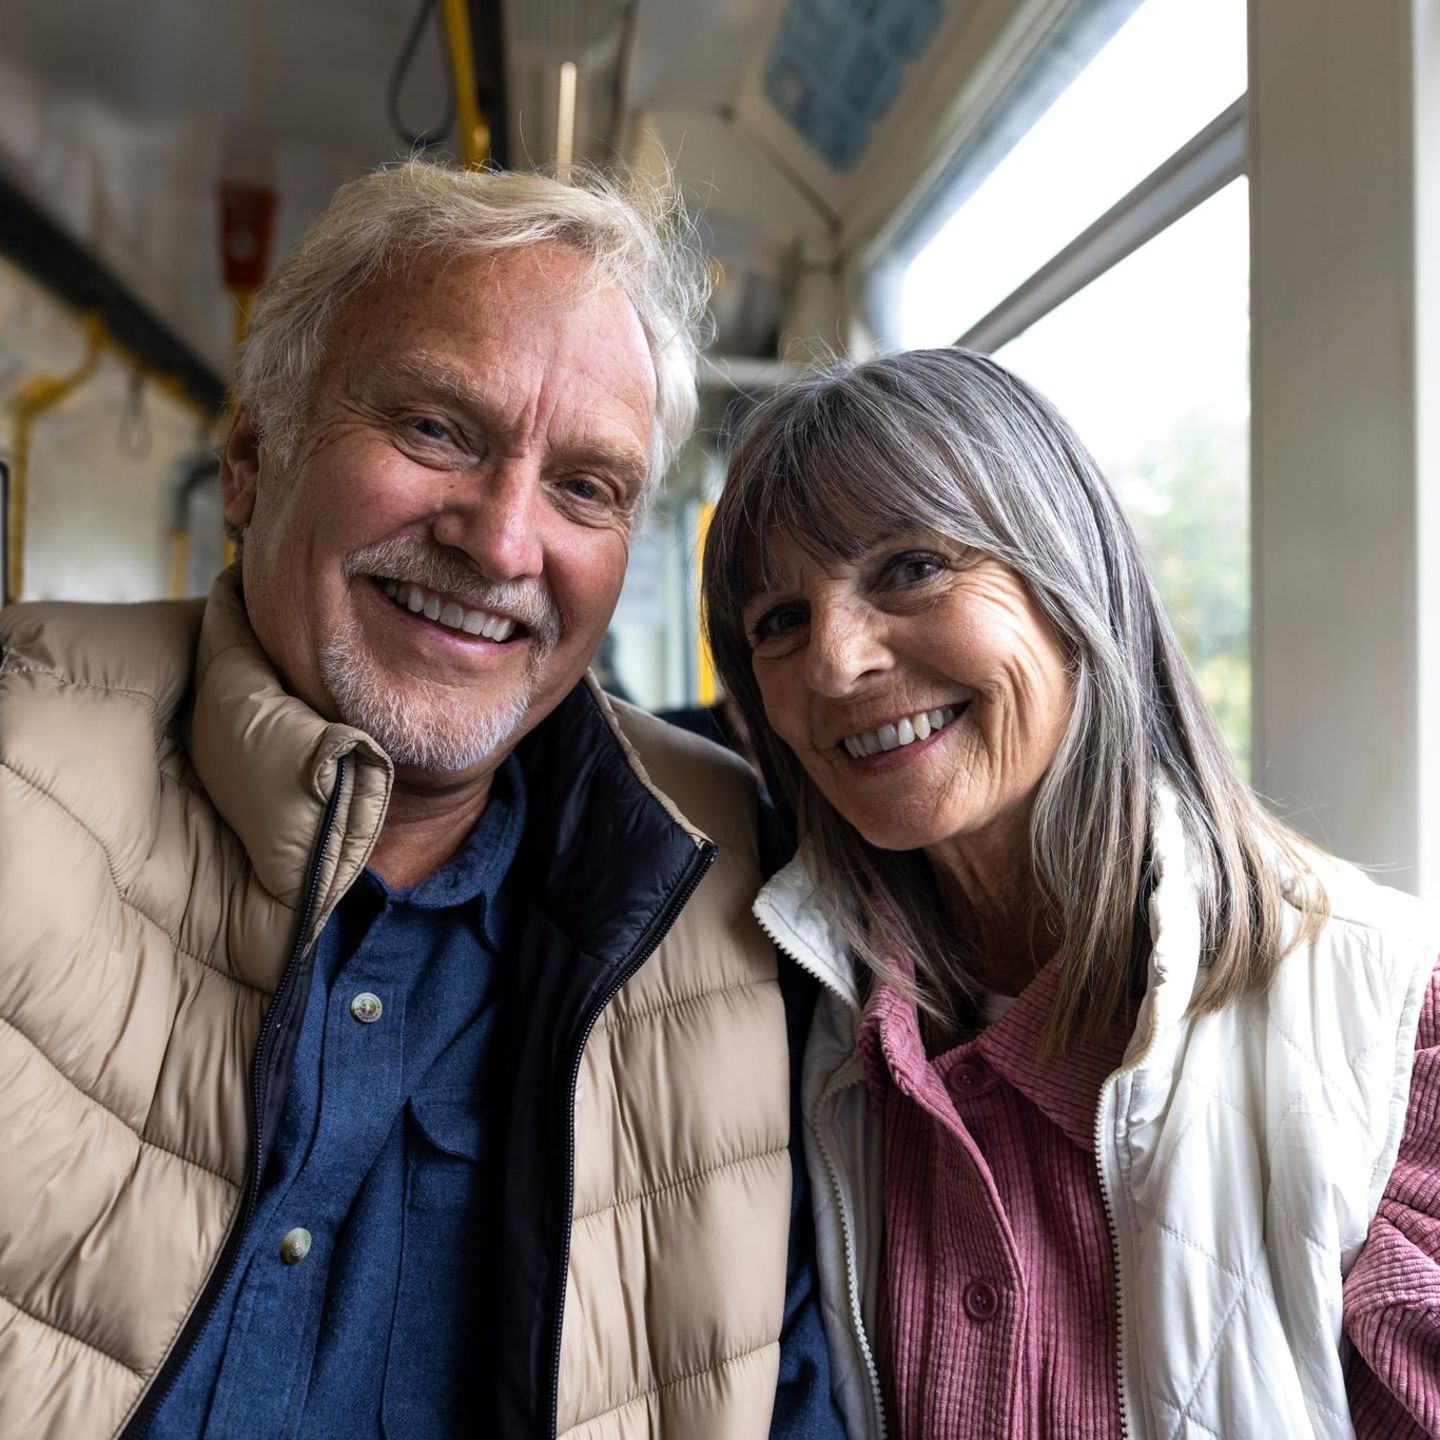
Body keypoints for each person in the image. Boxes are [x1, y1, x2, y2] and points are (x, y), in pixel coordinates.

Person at [0, 160, 829, 1440]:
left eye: (586, 487)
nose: (501, 543)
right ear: (251, 457)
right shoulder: (18, 773)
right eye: (438, 428)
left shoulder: (739, 890)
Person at [702, 347, 1440, 1439]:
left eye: (909, 567)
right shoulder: (784, 1017)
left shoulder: (1388, 1029)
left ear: (1068, 581)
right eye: (778, 621)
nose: (834, 663)